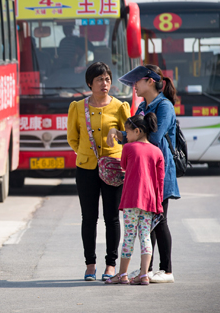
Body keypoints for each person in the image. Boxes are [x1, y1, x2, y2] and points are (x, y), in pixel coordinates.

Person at [107, 64, 180, 283]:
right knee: (149, 225)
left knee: (160, 221)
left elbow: (154, 139)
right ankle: (144, 272)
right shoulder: (142, 107)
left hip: (159, 172)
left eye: (136, 82)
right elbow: (135, 133)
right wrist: (120, 133)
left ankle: (166, 270)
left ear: (149, 81)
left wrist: (125, 137)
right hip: (143, 174)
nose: (134, 87)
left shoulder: (164, 106)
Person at [67, 61, 130, 281]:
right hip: (86, 168)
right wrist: (86, 154)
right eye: (99, 80)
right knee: (89, 217)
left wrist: (116, 143)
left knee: (112, 218)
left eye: (107, 79)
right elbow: (72, 138)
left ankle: (111, 265)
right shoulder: (77, 107)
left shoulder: (120, 107)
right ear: (89, 83)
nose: (105, 83)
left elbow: (129, 136)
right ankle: (90, 265)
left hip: (113, 168)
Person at [105, 112, 164, 285]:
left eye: (127, 132)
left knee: (129, 236)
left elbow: (123, 165)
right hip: (149, 201)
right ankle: (144, 274)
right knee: (145, 235)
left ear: (137, 131)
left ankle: (122, 274)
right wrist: (158, 203)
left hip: (131, 199)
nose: (126, 136)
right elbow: (160, 181)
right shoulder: (157, 151)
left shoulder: (128, 148)